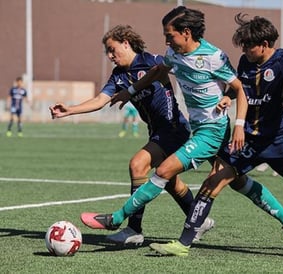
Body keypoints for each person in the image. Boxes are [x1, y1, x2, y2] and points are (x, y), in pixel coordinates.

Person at [149, 13, 283, 265]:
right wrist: (228, 96)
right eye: (243, 47)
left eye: (250, 46)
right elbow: (238, 87)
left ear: (264, 43)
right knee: (211, 184)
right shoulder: (245, 62)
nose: (246, 51)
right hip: (249, 141)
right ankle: (183, 244)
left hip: (280, 139)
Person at [49, 24, 215, 246]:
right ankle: (198, 220)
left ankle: (134, 229)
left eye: (112, 49)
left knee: (138, 165)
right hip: (156, 132)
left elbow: (183, 68)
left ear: (126, 43)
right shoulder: (118, 76)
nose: (110, 56)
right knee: (169, 180)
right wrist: (70, 110)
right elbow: (100, 100)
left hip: (173, 128)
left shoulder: (152, 60)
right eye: (107, 52)